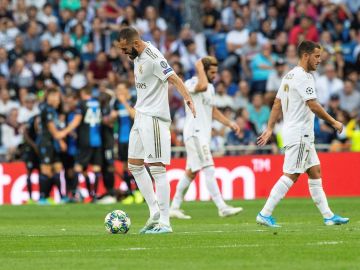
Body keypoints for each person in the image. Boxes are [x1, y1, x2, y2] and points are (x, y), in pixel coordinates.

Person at [256, 41, 349, 227]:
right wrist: (334, 122)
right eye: (316, 56)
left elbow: (276, 104)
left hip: (297, 132)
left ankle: (328, 216)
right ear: (305, 55)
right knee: (292, 174)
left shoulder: (289, 75)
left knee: (315, 171)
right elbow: (313, 105)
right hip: (300, 134)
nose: (319, 60)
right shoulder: (304, 77)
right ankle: (264, 213)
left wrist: (269, 128)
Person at [115, 26, 196, 234]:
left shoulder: (153, 57)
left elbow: (174, 78)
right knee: (134, 165)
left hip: (154, 119)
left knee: (157, 169)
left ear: (135, 43)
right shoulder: (136, 56)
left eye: (125, 49)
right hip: (140, 114)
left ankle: (166, 222)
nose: (123, 53)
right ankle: (154, 213)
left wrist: (188, 99)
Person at [170, 56, 243, 219]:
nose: (215, 75)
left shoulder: (211, 87)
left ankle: (174, 207)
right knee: (209, 167)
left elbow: (212, 109)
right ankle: (222, 207)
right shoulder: (190, 83)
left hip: (202, 135)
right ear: (203, 70)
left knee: (191, 172)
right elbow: (201, 86)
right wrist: (199, 68)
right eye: (211, 72)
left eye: (216, 72)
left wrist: (229, 123)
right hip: (194, 133)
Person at [58, 87, 103, 202]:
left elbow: (77, 120)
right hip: (97, 140)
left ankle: (73, 195)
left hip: (85, 139)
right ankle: (94, 196)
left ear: (82, 94)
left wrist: (64, 132)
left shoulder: (82, 104)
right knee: (96, 168)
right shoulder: (97, 103)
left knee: (77, 168)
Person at [111, 82, 143, 205]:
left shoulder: (134, 100)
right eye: (117, 90)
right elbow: (112, 120)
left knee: (137, 166)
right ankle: (130, 193)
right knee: (125, 167)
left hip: (134, 137)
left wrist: (124, 102)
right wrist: (112, 117)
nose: (119, 93)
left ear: (126, 90)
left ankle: (139, 192)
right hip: (121, 139)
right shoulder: (115, 103)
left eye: (121, 89)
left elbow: (135, 115)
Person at [37, 88, 66, 204]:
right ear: (49, 98)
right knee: (46, 170)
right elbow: (53, 129)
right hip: (46, 142)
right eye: (55, 97)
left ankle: (61, 197)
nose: (57, 100)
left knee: (58, 168)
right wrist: (61, 141)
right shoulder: (47, 109)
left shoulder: (53, 111)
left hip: (53, 143)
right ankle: (42, 198)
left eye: (58, 97)